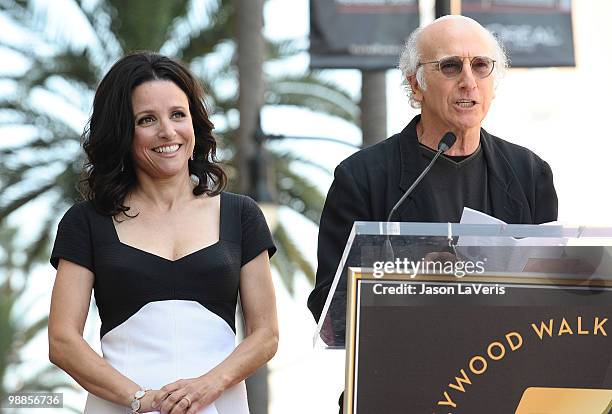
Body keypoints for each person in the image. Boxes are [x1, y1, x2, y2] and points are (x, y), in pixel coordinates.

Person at [48, 52, 278, 414]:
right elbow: (62, 341)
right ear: (123, 132)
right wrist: (143, 399)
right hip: (119, 407)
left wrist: (208, 386)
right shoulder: (86, 222)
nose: (167, 132)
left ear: (194, 123)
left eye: (177, 115)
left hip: (219, 405)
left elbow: (266, 334)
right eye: (147, 119)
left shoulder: (241, 215)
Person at [308, 15, 558, 327]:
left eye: (480, 65)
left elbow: (553, 291)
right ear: (416, 85)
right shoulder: (362, 177)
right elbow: (330, 304)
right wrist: (412, 284)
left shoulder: (530, 174)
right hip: (407, 365)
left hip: (505, 362)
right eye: (450, 66)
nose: (468, 80)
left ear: (493, 84)